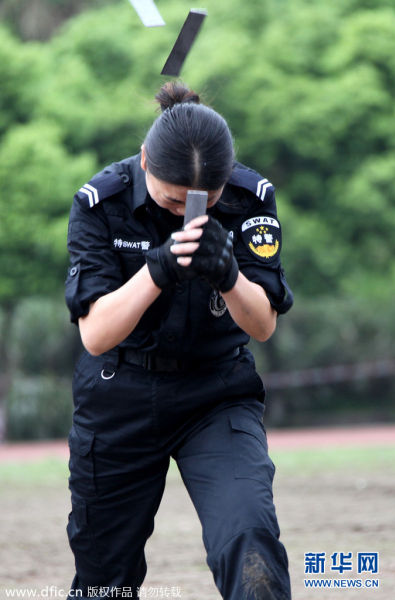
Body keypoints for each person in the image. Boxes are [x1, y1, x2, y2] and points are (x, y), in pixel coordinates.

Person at [65, 81, 293, 600]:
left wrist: (230, 275)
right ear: (146, 161)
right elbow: (96, 334)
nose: (182, 211)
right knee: (105, 579)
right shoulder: (101, 203)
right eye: (171, 200)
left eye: (202, 201)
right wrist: (159, 268)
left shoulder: (249, 199)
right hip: (118, 394)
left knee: (250, 538)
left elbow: (263, 326)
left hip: (216, 394)